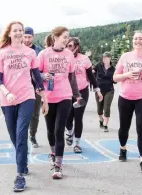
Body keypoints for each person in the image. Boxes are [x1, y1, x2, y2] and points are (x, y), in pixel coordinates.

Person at [0, 21, 48, 192]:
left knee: (21, 134)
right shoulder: (1, 53)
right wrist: (6, 92)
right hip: (7, 98)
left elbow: (37, 77)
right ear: (9, 33)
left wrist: (44, 98)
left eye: (20, 30)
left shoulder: (30, 53)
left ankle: (20, 176)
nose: (18, 33)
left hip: (26, 97)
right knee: (14, 136)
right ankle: (22, 162)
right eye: (15, 30)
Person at [38, 26, 82, 179]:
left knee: (58, 130)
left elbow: (72, 77)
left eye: (68, 37)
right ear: (55, 37)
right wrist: (43, 77)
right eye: (64, 37)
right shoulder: (44, 54)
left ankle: (58, 165)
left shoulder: (69, 54)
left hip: (65, 96)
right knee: (50, 130)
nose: (67, 40)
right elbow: (35, 74)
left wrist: (76, 95)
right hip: (48, 98)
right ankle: (52, 152)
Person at [113, 30, 142, 173]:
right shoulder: (125, 56)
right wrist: (126, 75)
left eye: (140, 39)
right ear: (132, 41)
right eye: (135, 39)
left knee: (141, 128)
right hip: (125, 97)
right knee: (124, 128)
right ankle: (123, 148)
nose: (138, 41)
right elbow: (115, 77)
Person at [65, 37, 103, 153]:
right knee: (67, 117)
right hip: (68, 92)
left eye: (70, 45)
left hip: (82, 92)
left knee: (78, 117)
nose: (68, 48)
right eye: (66, 45)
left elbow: (91, 77)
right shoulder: (64, 58)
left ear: (76, 46)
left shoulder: (84, 59)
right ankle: (70, 132)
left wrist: (97, 90)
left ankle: (77, 143)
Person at [23, 26, 43, 148]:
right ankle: (22, 135)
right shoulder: (17, 50)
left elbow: (42, 68)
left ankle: (32, 135)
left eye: (29, 37)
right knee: (23, 113)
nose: (27, 39)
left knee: (35, 113)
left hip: (35, 86)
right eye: (25, 37)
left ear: (33, 37)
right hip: (22, 87)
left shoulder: (39, 51)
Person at [93, 52, 116, 132]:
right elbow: (92, 72)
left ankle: (106, 124)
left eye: (106, 58)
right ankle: (101, 120)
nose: (104, 59)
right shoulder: (98, 66)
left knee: (107, 107)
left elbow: (115, 81)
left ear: (110, 59)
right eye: (103, 58)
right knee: (99, 108)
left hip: (109, 90)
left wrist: (116, 78)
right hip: (99, 90)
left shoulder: (113, 69)